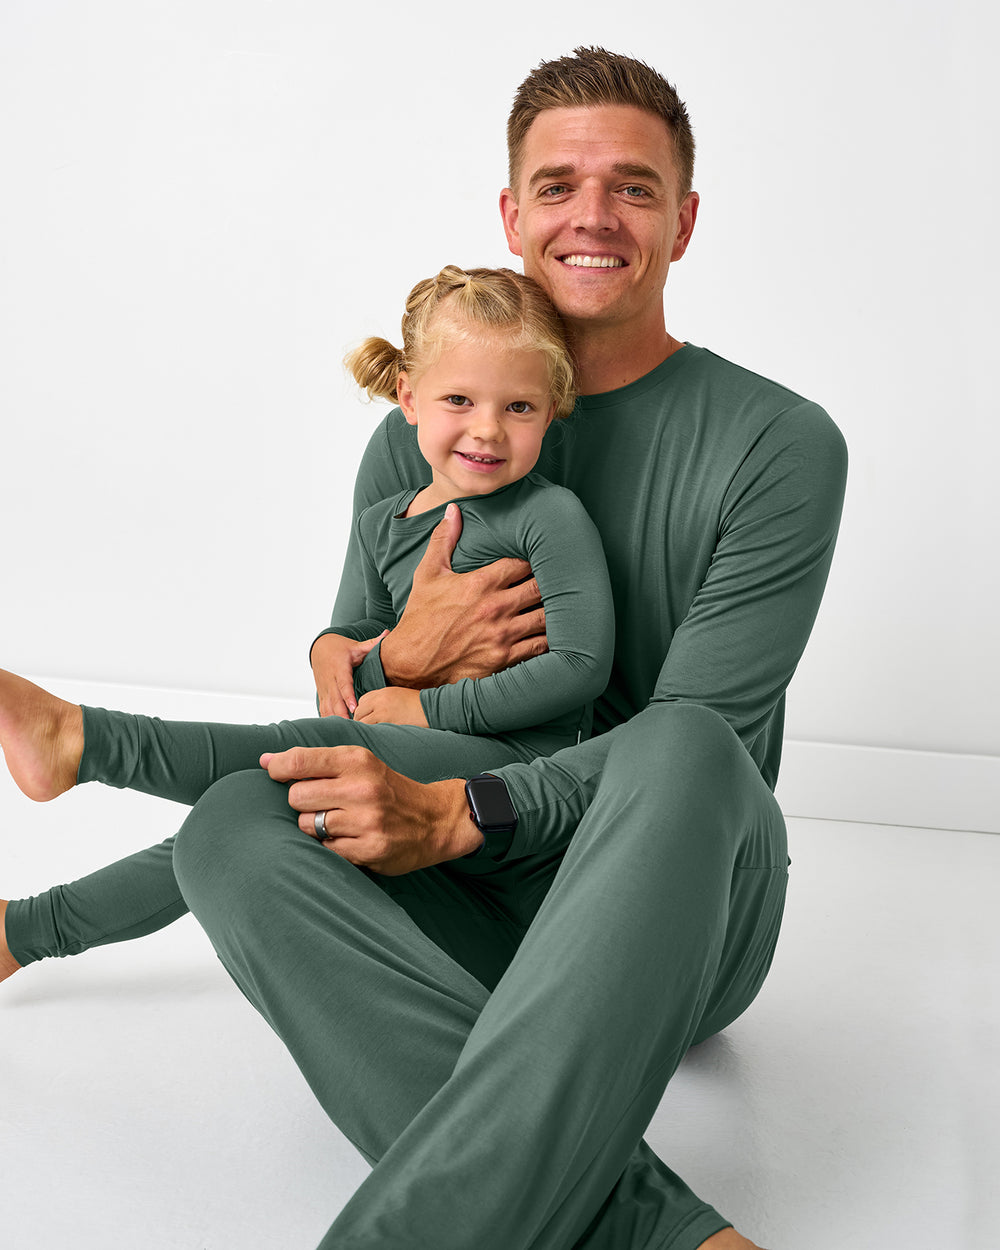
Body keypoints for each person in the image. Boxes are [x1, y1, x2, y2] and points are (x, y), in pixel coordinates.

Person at [1, 46, 847, 1250]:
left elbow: (691, 747)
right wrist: (390, 655)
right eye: (556, 185)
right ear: (511, 214)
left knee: (686, 747)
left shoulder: (778, 443)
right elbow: (357, 697)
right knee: (234, 823)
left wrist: (466, 809)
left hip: (680, 903)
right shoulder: (422, 435)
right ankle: (664, 1233)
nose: (592, 215)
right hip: (473, 899)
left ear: (685, 220)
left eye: (633, 187)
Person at [0, 263, 615, 987]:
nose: (487, 428)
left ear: (552, 409)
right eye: (459, 399)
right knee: (263, 804)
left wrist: (428, 709)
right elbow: (359, 628)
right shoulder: (382, 523)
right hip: (408, 747)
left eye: (519, 407)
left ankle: (87, 744)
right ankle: (22, 931)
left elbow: (581, 666)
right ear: (408, 397)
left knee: (306, 757)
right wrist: (326, 649)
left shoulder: (548, 515)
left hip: (518, 771)